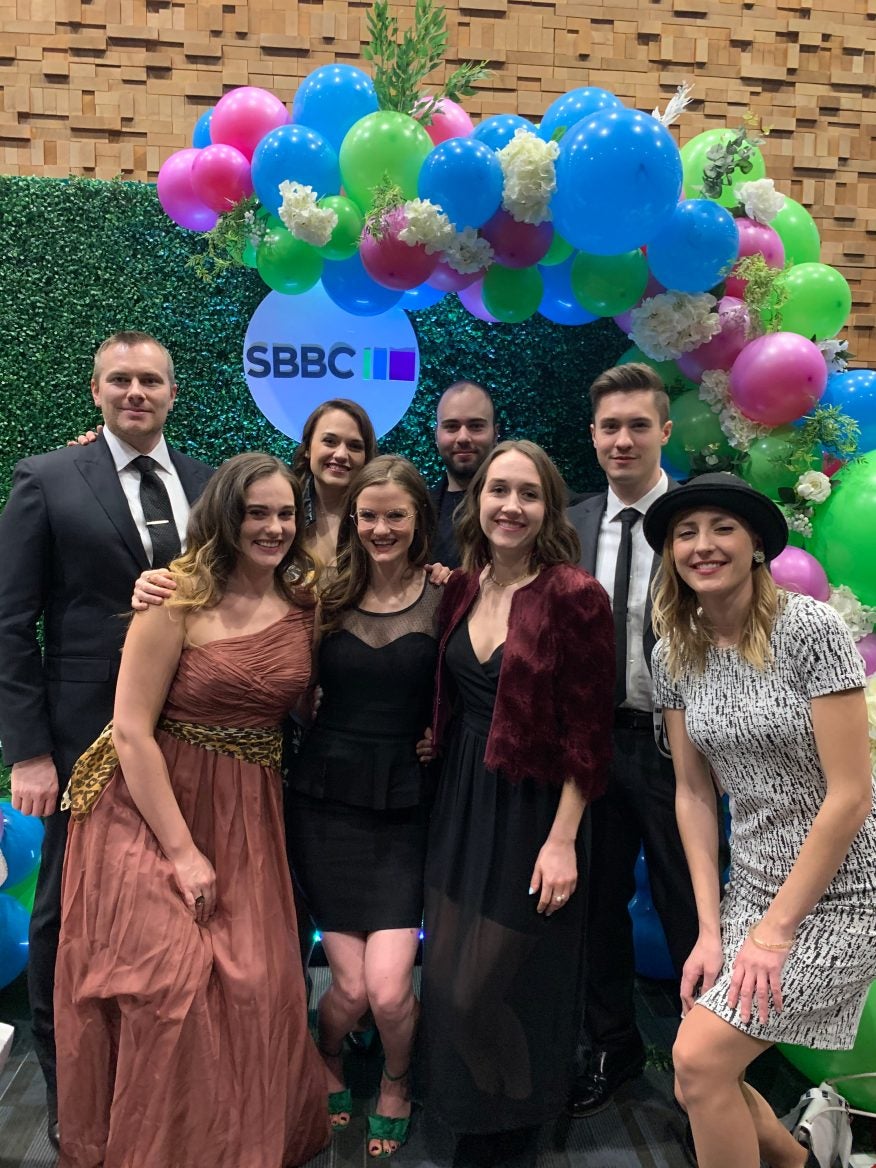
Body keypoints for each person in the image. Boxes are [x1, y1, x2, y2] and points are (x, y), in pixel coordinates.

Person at [54, 453, 331, 1168]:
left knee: (256, 986)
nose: (271, 527)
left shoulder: (305, 603)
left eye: (283, 514)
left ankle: (235, 1143)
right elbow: (131, 731)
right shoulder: (173, 598)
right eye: (254, 512)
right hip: (150, 804)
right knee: (168, 982)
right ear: (223, 516)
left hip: (250, 808)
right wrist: (182, 852)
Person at [0, 330, 213, 1149]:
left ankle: (168, 1080)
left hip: (192, 738)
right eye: (121, 380)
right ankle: (71, 1090)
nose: (137, 392)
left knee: (172, 903)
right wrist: (27, 752)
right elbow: (12, 623)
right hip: (83, 742)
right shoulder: (48, 479)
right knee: (66, 916)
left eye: (151, 380)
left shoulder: (205, 484)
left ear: (171, 392)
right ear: (95, 391)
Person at [644, 471, 876, 1168]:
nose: (702, 545)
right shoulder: (673, 651)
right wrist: (711, 929)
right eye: (686, 533)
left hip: (842, 894)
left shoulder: (810, 628)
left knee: (700, 1059)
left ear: (755, 547)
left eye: (722, 529)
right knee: (699, 1073)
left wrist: (774, 934)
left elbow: (850, 796)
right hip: (750, 889)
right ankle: (803, 1163)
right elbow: (691, 792)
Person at [422, 440, 615, 1166]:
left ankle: (520, 1117)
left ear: (548, 508)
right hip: (460, 801)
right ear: (476, 502)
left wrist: (564, 839)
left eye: (528, 494)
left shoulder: (574, 595)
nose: (511, 506)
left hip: (535, 812)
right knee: (446, 979)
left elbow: (588, 733)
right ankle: (489, 1100)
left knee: (491, 987)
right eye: (499, 490)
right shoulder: (465, 586)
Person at [285, 455, 441, 1160]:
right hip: (325, 806)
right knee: (346, 994)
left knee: (388, 993)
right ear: (353, 521)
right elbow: (291, 682)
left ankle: (399, 1083)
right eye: (368, 516)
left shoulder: (450, 594)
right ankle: (330, 1062)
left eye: (395, 516)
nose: (380, 528)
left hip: (406, 809)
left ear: (418, 522)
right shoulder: (324, 595)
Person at [566, 362, 710, 1116]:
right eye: (610, 427)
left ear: (665, 431)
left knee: (692, 908)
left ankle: (701, 1072)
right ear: (593, 438)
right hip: (593, 750)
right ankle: (612, 1045)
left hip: (681, 753)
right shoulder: (575, 523)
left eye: (637, 426)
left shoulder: (699, 522)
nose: (623, 439)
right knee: (595, 909)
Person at [291, 397, 378, 571]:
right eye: (330, 441)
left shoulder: (380, 517)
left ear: (366, 457)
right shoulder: (284, 510)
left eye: (354, 446)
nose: (341, 454)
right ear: (307, 448)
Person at [429, 380, 498, 568]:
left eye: (476, 426)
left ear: (495, 434)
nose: (463, 438)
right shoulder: (417, 511)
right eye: (451, 427)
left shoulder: (523, 507)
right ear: (437, 435)